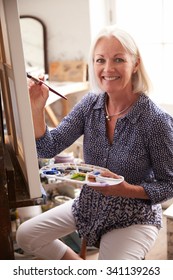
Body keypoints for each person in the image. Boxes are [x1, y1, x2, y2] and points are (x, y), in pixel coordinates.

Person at [16, 25, 173, 260]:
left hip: (134, 215)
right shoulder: (89, 105)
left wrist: (124, 190)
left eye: (118, 59)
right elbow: (47, 147)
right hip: (90, 204)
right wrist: (36, 108)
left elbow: (169, 185)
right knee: (26, 235)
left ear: (136, 63)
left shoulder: (155, 121)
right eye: (100, 60)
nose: (108, 69)